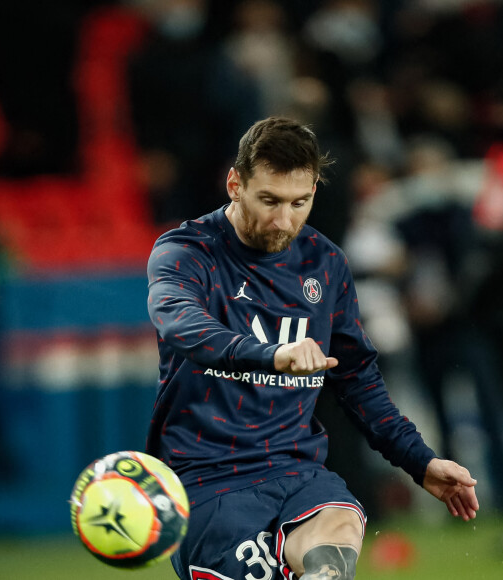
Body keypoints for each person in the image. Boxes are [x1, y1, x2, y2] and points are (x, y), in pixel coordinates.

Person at [146, 117, 479, 580]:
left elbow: (359, 380)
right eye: (270, 201)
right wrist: (272, 355)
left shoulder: (324, 263)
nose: (285, 220)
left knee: (340, 525)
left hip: (296, 469)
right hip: (209, 481)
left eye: (300, 202)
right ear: (235, 184)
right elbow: (182, 324)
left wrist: (419, 461)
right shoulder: (186, 252)